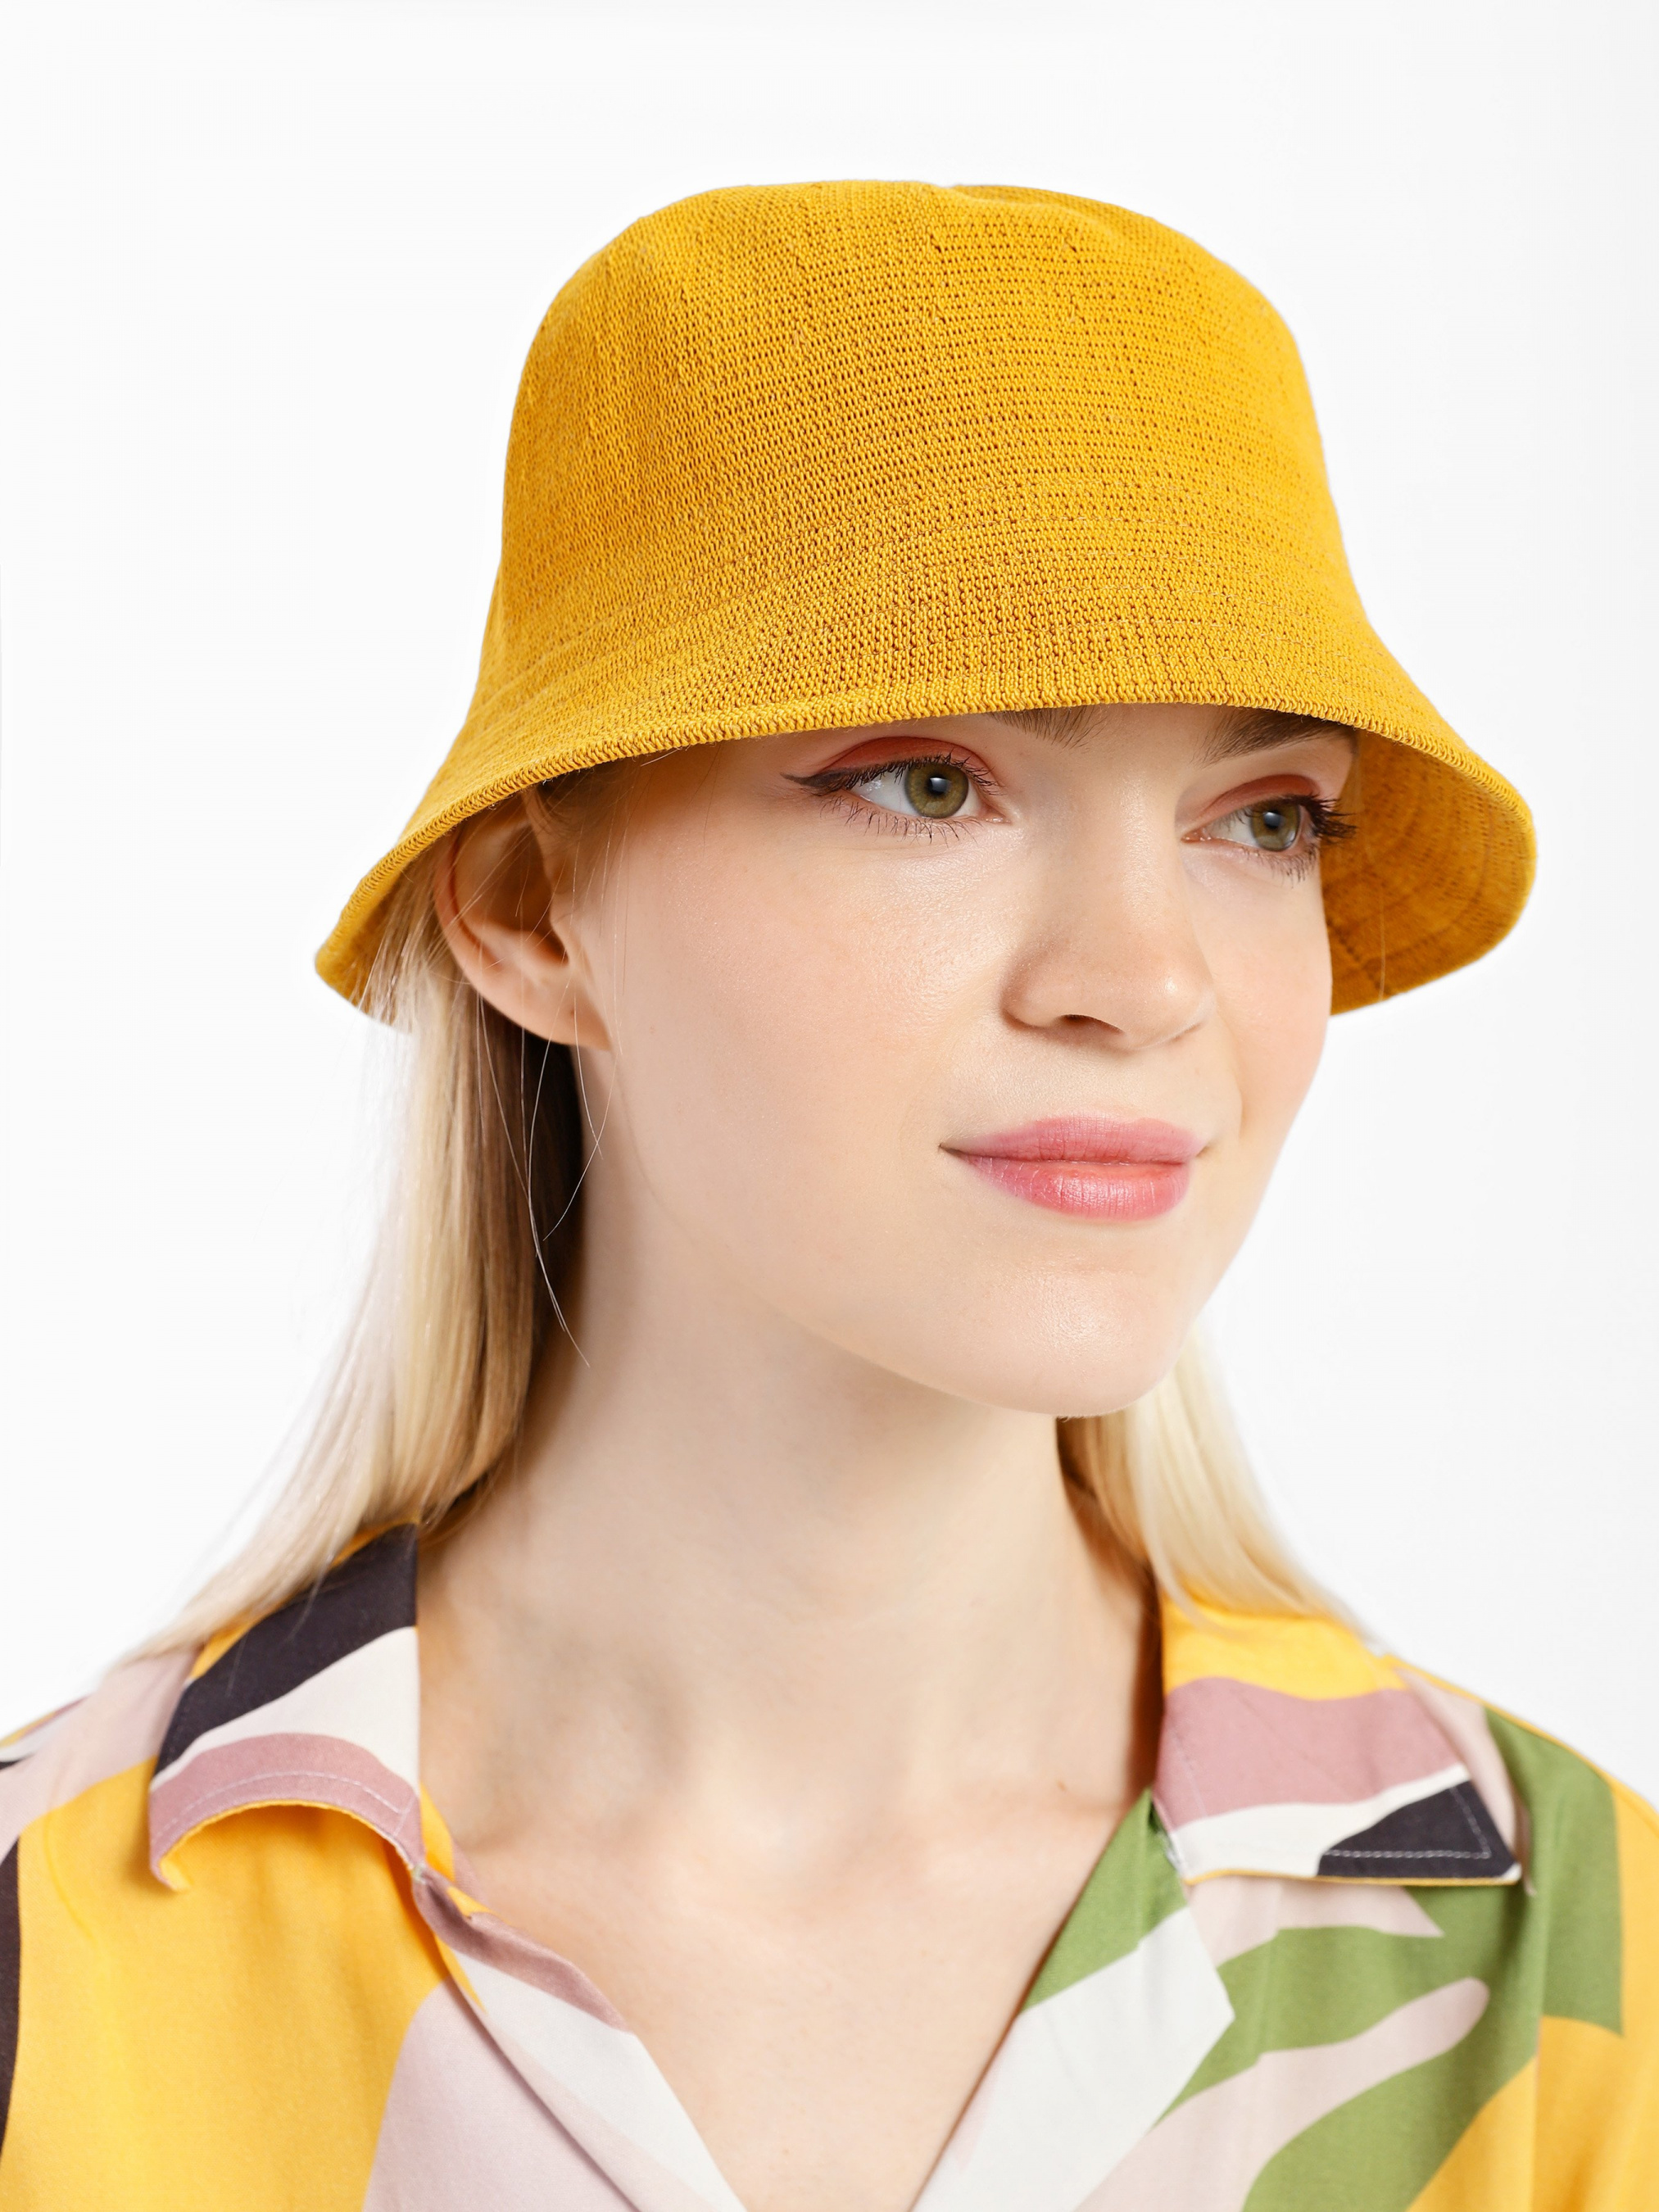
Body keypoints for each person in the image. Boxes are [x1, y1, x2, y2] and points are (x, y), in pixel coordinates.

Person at [0, 181, 1652, 2212]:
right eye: (928, 783)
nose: (1141, 981)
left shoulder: (1581, 1973)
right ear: (532, 911)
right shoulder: (51, 1965)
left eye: (1262, 819)